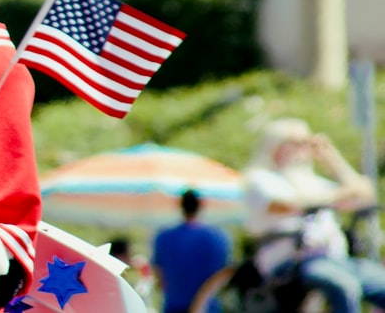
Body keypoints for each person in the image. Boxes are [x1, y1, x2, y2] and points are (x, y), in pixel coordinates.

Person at [243, 117, 385, 313]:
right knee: (344, 286)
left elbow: (364, 195)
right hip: (293, 262)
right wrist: (341, 194)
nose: (303, 150)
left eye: (306, 144)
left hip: (336, 259)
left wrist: (333, 160)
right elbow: (289, 205)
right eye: (296, 143)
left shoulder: (312, 182)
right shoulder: (262, 180)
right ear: (276, 146)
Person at [151, 188, 232, 313]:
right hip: (206, 308)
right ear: (201, 205)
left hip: (174, 307)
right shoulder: (218, 237)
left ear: (180, 205)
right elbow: (223, 275)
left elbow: (159, 277)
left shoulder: (164, 237)